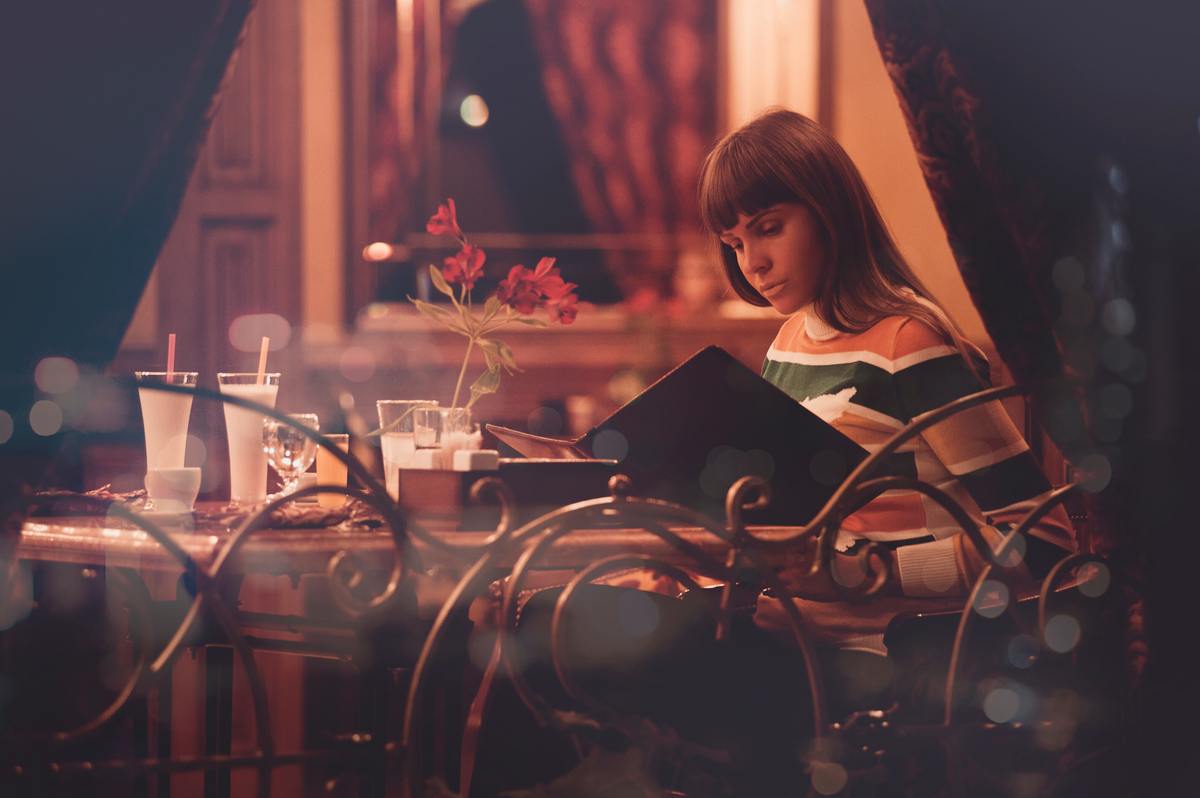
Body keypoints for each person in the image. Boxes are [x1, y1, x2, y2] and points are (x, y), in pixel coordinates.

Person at [697, 108, 1074, 649]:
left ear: (829, 215)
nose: (752, 262)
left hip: (885, 660)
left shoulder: (907, 343)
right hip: (792, 640)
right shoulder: (787, 343)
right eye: (734, 243)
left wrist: (865, 573)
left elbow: (1042, 540)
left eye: (769, 229)